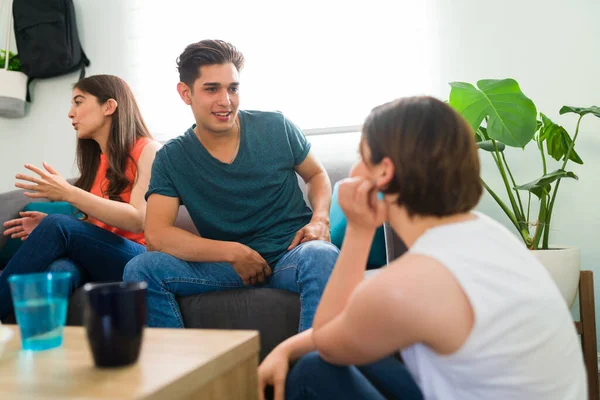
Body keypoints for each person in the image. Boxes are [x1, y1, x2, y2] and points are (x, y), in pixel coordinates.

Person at [258, 96, 586, 400]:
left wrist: (359, 230)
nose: (355, 170)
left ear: (383, 172)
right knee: (357, 356)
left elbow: (327, 345)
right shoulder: (486, 234)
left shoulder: (413, 281)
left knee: (313, 371)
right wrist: (285, 349)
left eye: (361, 156)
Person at [122, 39, 339, 329]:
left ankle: (316, 369)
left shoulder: (275, 126)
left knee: (322, 254)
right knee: (140, 269)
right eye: (212, 89)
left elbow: (316, 175)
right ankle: (182, 372)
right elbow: (157, 235)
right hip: (228, 268)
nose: (226, 100)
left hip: (293, 253)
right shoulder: (172, 157)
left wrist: (320, 219)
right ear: (185, 93)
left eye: (233, 88)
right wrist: (233, 252)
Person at [0, 74, 161, 319]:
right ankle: (29, 345)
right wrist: (46, 227)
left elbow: (137, 219)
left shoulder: (148, 149)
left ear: (109, 106)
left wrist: (68, 193)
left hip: (137, 258)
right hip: (100, 257)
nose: (70, 113)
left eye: (79, 102)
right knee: (59, 270)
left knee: (59, 225)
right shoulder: (96, 162)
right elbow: (100, 228)